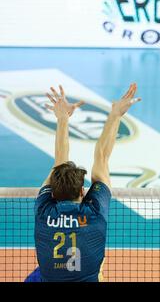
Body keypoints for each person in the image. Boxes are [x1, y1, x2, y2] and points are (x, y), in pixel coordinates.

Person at [25, 83, 141, 282]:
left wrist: (62, 118)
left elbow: (59, 164)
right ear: (82, 190)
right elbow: (102, 157)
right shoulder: (93, 213)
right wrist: (115, 115)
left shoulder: (44, 210)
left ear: (52, 193)